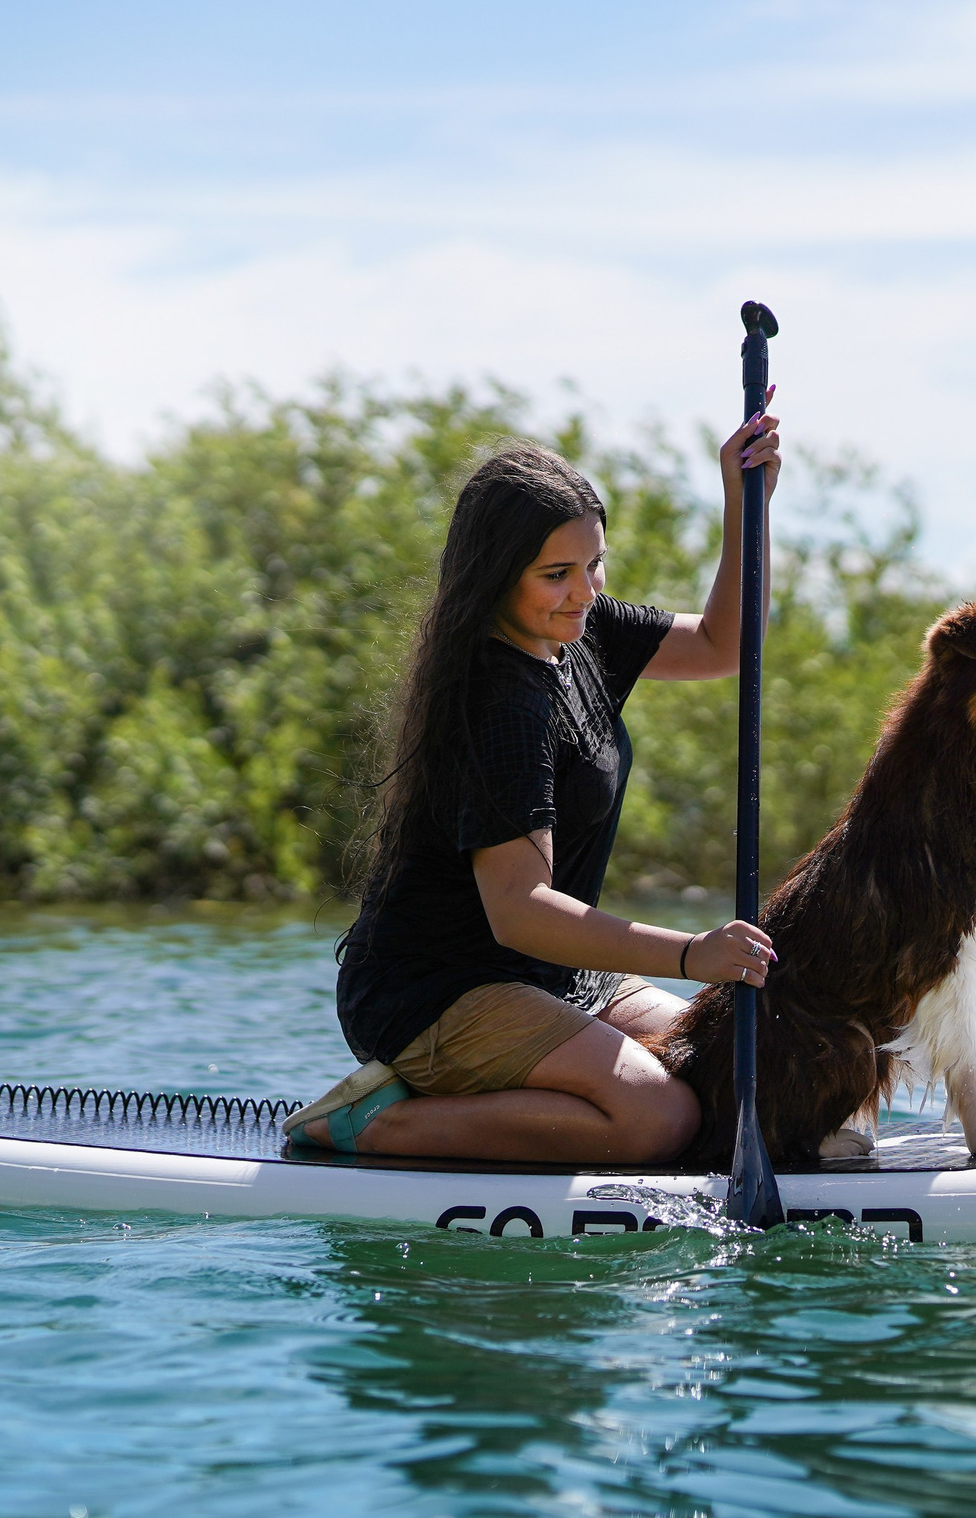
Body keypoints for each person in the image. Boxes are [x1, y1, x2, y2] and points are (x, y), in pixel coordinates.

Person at [284, 409, 782, 1164]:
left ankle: (487, 1094)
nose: (583, 591)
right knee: (658, 1117)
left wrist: (746, 504)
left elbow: (724, 644)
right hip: (438, 991)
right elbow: (520, 911)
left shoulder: (580, 632)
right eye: (556, 574)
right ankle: (372, 1123)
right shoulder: (498, 700)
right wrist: (692, 951)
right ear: (496, 575)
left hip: (554, 978)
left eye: (595, 564)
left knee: (723, 1068)